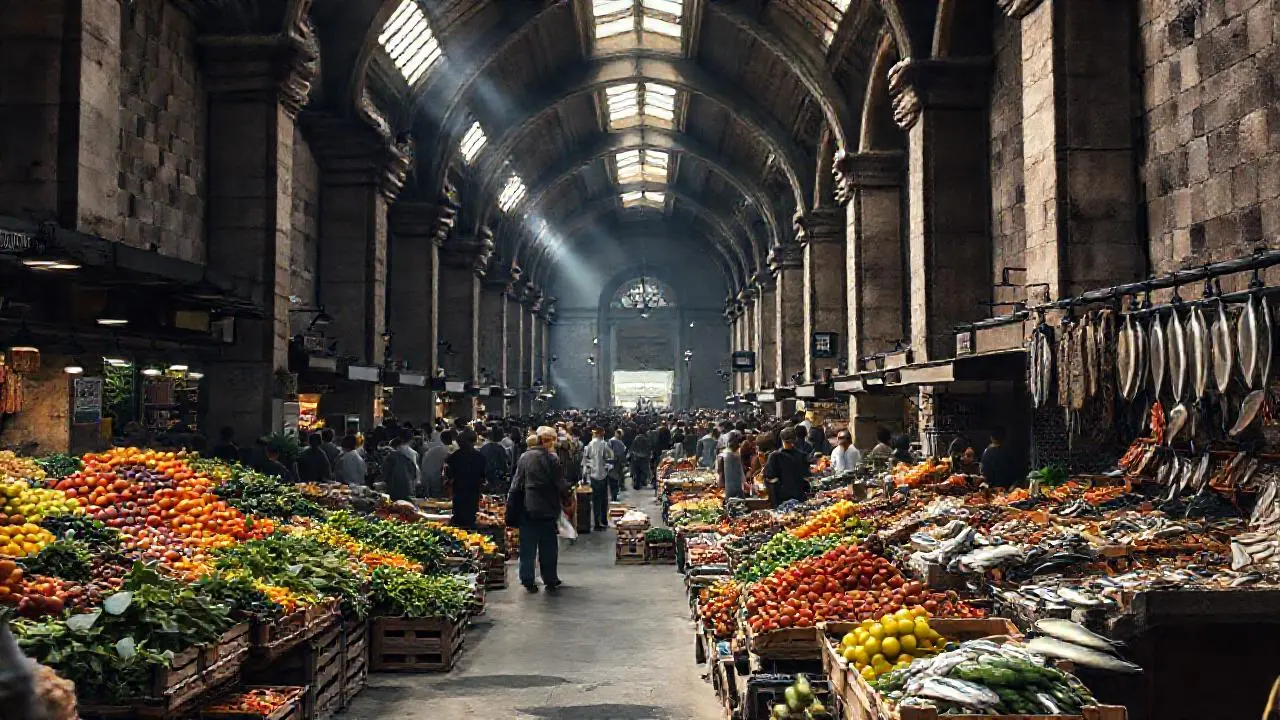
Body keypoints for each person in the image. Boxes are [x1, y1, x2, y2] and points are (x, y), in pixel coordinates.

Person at [509, 427, 567, 592]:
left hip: (528, 508)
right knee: (548, 545)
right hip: (548, 508)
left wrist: (511, 505)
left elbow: (516, 484)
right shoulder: (552, 459)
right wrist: (567, 493)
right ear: (546, 442)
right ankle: (550, 578)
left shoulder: (524, 457)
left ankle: (527, 579)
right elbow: (560, 483)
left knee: (527, 546)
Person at [444, 429, 487, 528]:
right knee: (471, 518)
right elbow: (483, 476)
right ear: (474, 441)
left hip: (458, 491)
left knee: (458, 519)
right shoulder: (480, 457)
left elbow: (448, 476)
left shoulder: (453, 457)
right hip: (473, 492)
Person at [763, 427, 811, 506]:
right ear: (795, 439)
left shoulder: (775, 456)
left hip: (783, 498)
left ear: (781, 439)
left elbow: (770, 478)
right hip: (799, 497)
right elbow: (806, 476)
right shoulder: (801, 455)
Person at [581, 426, 614, 530]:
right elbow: (611, 457)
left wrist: (585, 475)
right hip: (602, 475)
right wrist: (608, 467)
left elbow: (585, 461)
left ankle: (597, 523)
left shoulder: (589, 445)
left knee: (595, 500)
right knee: (603, 499)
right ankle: (603, 521)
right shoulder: (605, 444)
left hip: (593, 476)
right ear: (602, 434)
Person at [381, 435, 418, 501]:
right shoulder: (405, 458)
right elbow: (413, 473)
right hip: (407, 490)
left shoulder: (389, 458)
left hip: (394, 491)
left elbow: (385, 475)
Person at [420, 429, 453, 498]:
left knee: (428, 496)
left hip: (425, 473)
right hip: (434, 475)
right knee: (436, 496)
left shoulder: (434, 446)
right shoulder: (447, 450)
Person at [478, 426, 511, 493]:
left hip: (485, 479)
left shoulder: (483, 448)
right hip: (498, 480)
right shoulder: (501, 449)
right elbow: (505, 465)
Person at [716, 432, 746, 499]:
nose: (739, 445)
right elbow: (720, 472)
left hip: (734, 487)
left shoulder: (725, 455)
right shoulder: (728, 455)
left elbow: (719, 472)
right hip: (731, 488)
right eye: (738, 442)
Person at [607, 429, 627, 501]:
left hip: (614, 463)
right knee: (614, 480)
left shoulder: (613, 441)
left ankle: (614, 495)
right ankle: (614, 495)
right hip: (615, 463)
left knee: (613, 480)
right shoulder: (615, 442)